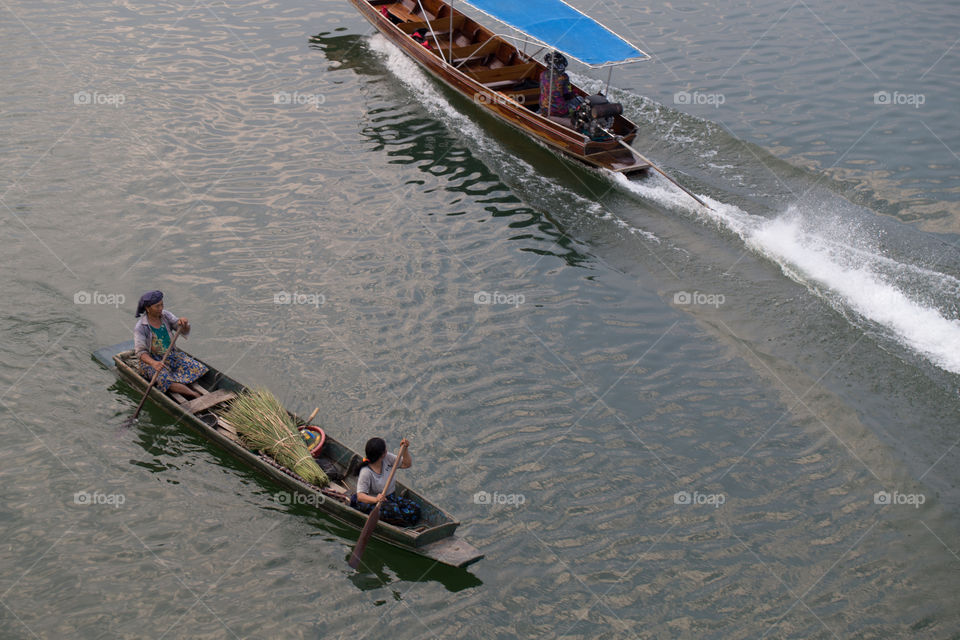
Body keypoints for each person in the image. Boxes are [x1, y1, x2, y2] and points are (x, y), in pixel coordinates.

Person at [133, 290, 208, 399]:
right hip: (152, 361)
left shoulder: (165, 315)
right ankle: (194, 394)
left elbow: (181, 329)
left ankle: (179, 382)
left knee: (198, 367)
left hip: (171, 355)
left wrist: (184, 323)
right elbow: (140, 352)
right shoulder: (141, 327)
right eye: (157, 306)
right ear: (148, 308)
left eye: (162, 305)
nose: (161, 308)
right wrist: (154, 363)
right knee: (164, 379)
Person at [350, 437, 421, 527]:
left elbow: (407, 464)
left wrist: (405, 449)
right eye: (385, 449)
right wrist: (376, 499)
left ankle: (401, 522)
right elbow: (360, 496)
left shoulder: (387, 458)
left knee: (415, 509)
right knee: (394, 511)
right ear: (382, 454)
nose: (387, 450)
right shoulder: (366, 472)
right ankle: (400, 525)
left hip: (390, 498)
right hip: (373, 503)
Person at [539, 52, 575, 117]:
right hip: (559, 111)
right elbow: (567, 95)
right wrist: (574, 94)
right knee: (578, 100)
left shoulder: (542, 74)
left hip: (543, 107)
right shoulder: (564, 77)